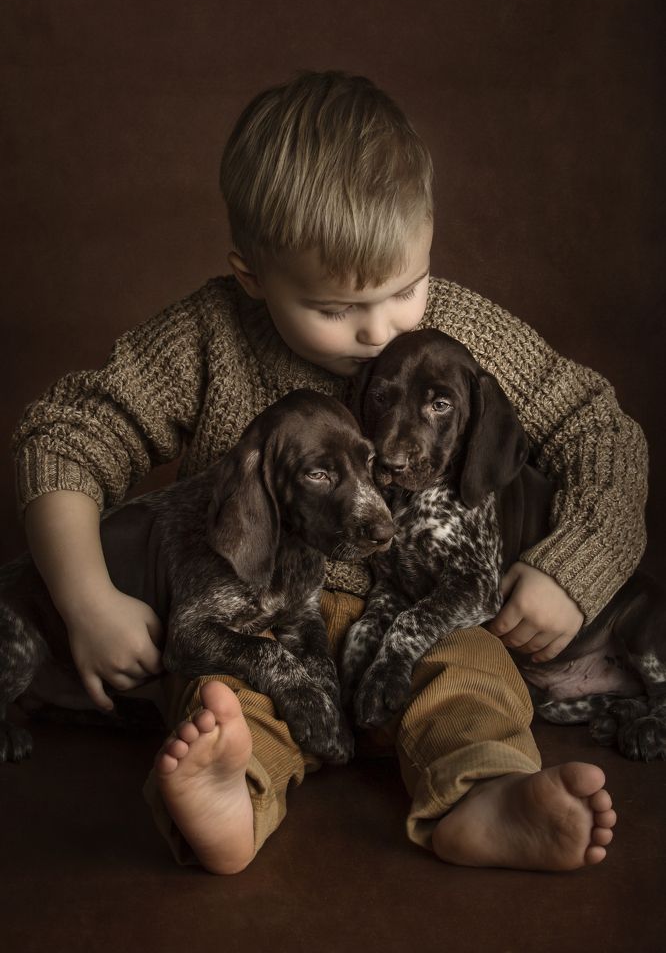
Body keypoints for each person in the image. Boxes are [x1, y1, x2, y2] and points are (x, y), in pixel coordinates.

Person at [14, 70, 646, 875]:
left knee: (473, 680)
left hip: (423, 615)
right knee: (222, 703)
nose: (381, 330)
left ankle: (485, 799)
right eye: (337, 309)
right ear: (252, 276)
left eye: (405, 289)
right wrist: (86, 599)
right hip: (263, 623)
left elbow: (601, 429)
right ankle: (233, 795)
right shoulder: (209, 335)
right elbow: (65, 434)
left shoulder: (458, 331)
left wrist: (574, 568)